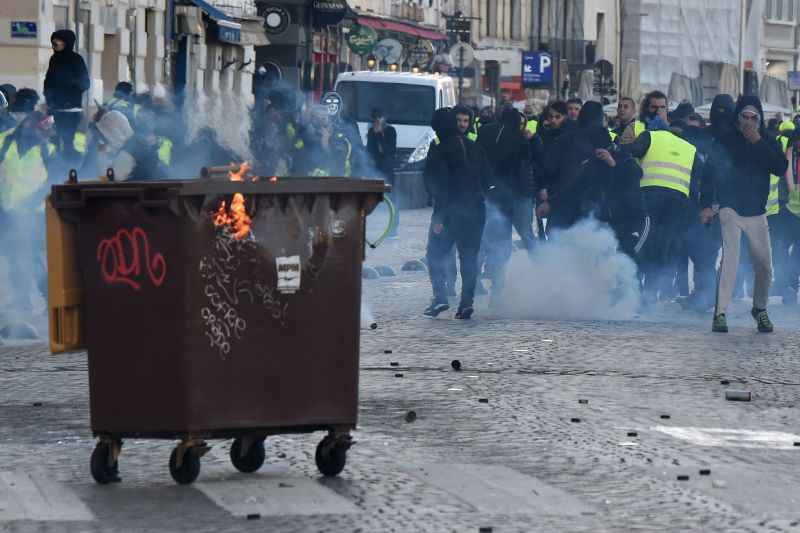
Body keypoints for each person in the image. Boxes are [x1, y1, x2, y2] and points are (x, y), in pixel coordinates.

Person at [701, 95, 788, 333]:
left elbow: (780, 168)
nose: (749, 122)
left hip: (757, 211)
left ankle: (759, 309)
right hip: (731, 207)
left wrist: (758, 142)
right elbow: (709, 173)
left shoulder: (768, 140)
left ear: (759, 119)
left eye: (754, 117)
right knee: (731, 258)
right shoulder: (726, 140)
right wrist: (706, 204)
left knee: (764, 265)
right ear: (737, 118)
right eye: (745, 117)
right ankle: (720, 312)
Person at [620, 106, 703, 304]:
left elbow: (630, 151)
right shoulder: (690, 149)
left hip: (651, 197)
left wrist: (620, 146)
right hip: (678, 204)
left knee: (644, 241)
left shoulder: (651, 136)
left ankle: (638, 289)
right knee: (665, 246)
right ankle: (653, 290)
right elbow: (697, 180)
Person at [423, 108, 491, 319]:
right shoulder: (475, 147)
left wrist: (440, 217)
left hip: (449, 212)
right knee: (469, 257)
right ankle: (466, 303)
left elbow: (435, 185)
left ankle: (440, 297)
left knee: (435, 253)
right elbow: (488, 180)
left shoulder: (440, 150)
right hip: (476, 210)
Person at [477, 106, 533, 306]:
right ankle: (497, 290)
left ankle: (481, 282)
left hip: (487, 194)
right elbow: (525, 164)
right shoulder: (519, 140)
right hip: (509, 197)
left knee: (489, 240)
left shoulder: (484, 132)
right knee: (503, 243)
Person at [0, 110, 54, 311]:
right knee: (14, 255)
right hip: (8, 209)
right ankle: (23, 300)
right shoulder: (5, 142)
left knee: (32, 256)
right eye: (44, 128)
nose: (47, 133)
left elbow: (50, 181)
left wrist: (30, 202)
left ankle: (48, 296)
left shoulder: (46, 148)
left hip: (34, 212)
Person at [44, 30, 89, 164]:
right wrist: (48, 96)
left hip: (72, 111)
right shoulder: (54, 59)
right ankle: (56, 170)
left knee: (70, 142)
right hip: (55, 110)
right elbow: (49, 81)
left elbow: (85, 83)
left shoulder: (76, 59)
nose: (55, 44)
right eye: (53, 42)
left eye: (58, 41)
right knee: (54, 142)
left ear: (67, 42)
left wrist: (69, 82)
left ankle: (73, 168)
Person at [293, 106, 352, 177]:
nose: (321, 122)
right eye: (317, 118)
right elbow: (297, 157)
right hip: (308, 181)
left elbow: (339, 160)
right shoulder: (305, 134)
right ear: (311, 119)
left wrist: (326, 144)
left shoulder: (338, 134)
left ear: (329, 119)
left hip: (334, 180)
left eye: (323, 118)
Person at [366, 108, 399, 237]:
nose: (376, 122)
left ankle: (393, 229)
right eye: (374, 119)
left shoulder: (391, 131)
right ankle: (373, 227)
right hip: (375, 170)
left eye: (378, 119)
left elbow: (386, 151)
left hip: (387, 170)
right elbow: (369, 151)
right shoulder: (371, 132)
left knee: (391, 200)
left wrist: (379, 134)